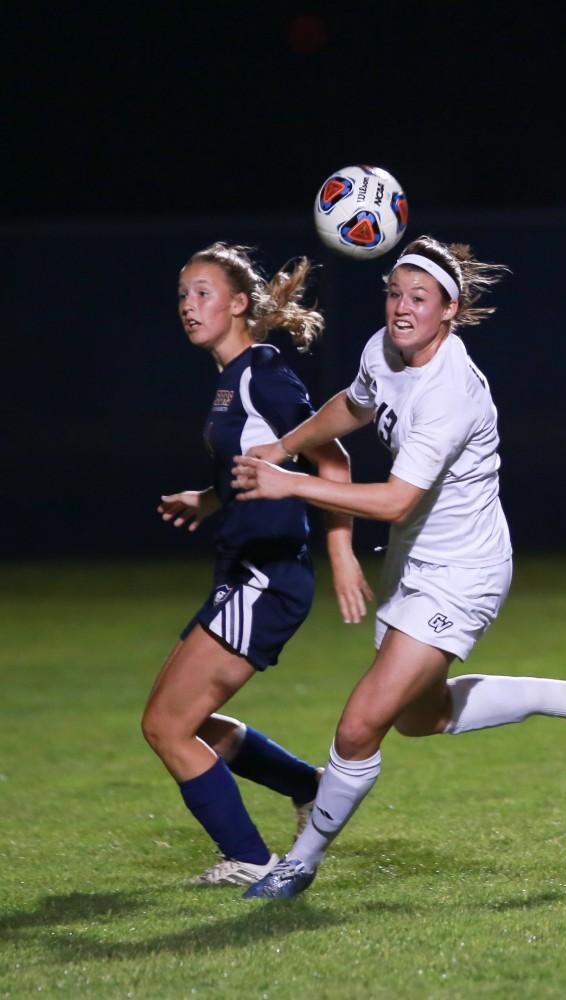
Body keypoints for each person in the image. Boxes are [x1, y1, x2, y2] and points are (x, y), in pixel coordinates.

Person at [231, 234, 566, 900]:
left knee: (360, 725)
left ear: (448, 310)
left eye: (419, 298)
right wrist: (287, 445)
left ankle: (297, 865)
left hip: (462, 569)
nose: (401, 308)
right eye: (394, 292)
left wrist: (292, 484)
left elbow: (395, 500)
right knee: (422, 718)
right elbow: (356, 404)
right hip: (413, 562)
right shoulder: (381, 348)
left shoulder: (452, 390)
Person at [141, 241, 372, 886]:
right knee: (184, 721)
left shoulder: (261, 375)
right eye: (183, 295)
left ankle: (249, 861)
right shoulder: (226, 382)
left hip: (267, 577)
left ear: (240, 304)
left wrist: (342, 553)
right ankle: (309, 788)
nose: (189, 306)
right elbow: (256, 465)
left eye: (203, 293)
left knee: (166, 726)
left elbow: (333, 462)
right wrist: (210, 498)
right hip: (243, 572)